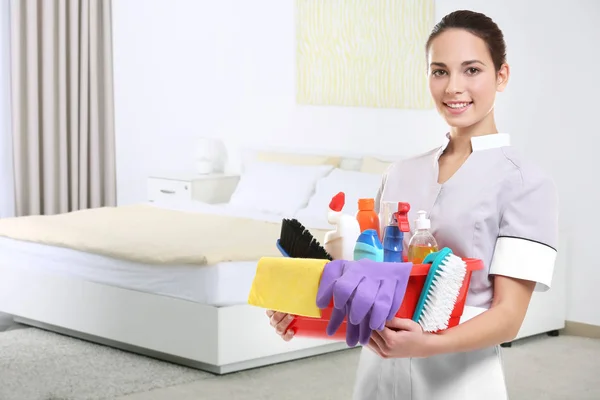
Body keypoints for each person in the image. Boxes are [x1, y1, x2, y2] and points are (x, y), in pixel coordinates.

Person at [266, 9, 558, 400]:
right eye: (439, 71)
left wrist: (427, 346)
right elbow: (367, 285)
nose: (454, 87)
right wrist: (301, 315)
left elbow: (508, 318)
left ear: (501, 76)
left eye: (471, 70)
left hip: (461, 381)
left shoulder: (525, 183)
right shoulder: (400, 173)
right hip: (379, 377)